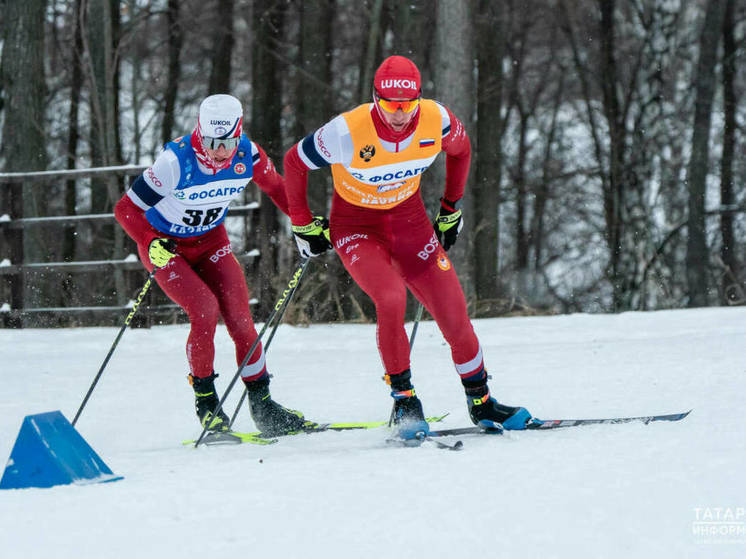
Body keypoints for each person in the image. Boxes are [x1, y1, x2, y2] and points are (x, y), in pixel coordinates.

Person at [283, 55, 534, 439]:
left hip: (409, 224)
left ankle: (482, 402)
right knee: (390, 297)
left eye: (407, 105)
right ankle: (404, 400)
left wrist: (450, 209)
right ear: (375, 99)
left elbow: (462, 152)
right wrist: (302, 222)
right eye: (389, 105)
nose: (399, 115)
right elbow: (294, 162)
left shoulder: (438, 119)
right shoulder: (346, 131)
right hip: (357, 228)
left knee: (454, 312)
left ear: (418, 98)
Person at [114, 94, 308, 436]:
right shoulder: (175, 161)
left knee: (241, 320)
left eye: (227, 143)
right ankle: (207, 403)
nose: (218, 151)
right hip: (167, 247)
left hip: (210, 241)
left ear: (239, 134)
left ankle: (263, 405)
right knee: (204, 310)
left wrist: (305, 222)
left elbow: (278, 189)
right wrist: (149, 241)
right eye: (210, 142)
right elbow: (126, 210)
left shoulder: (247, 154)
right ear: (199, 132)